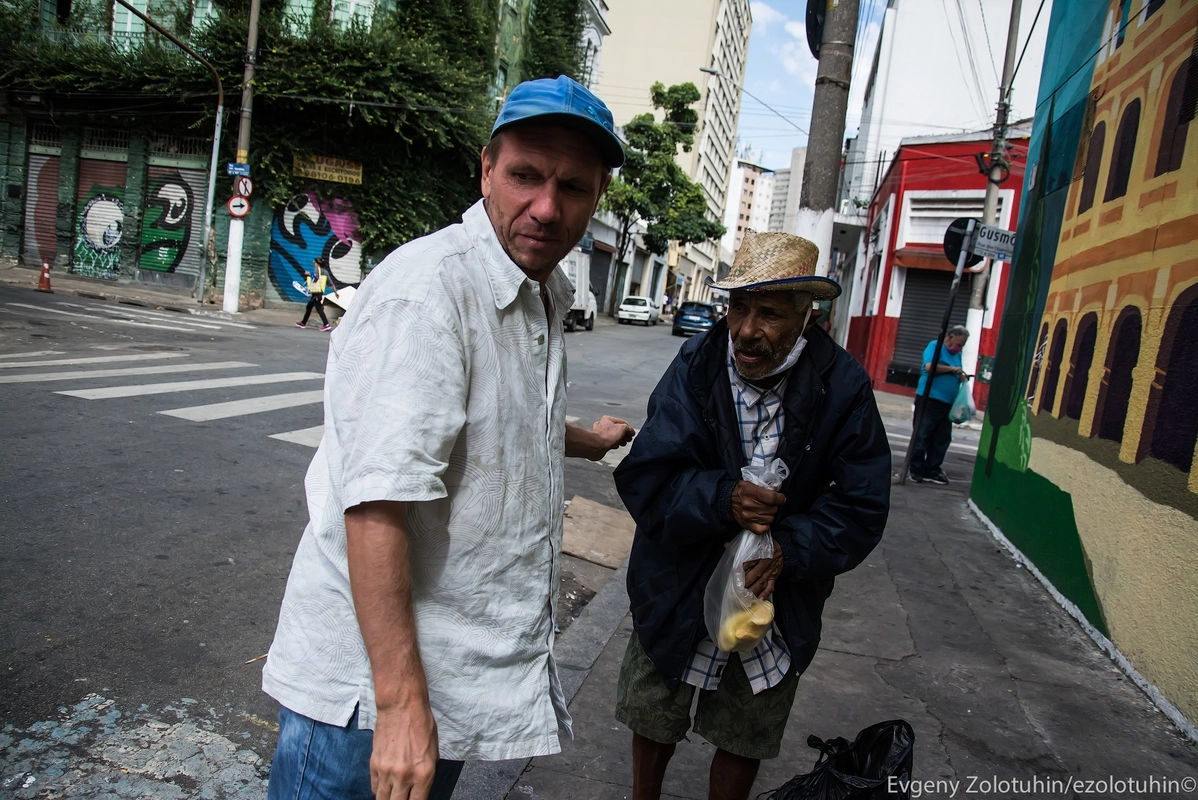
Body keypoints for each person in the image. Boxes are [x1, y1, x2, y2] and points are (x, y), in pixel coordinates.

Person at [262, 75, 633, 800]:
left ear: (596, 201)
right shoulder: (430, 293)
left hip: (443, 686)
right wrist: (401, 710)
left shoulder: (538, 290)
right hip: (369, 701)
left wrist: (582, 441)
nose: (547, 207)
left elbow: (487, 418)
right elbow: (375, 504)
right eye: (525, 176)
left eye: (574, 188)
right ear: (487, 169)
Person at [612, 231, 892, 800]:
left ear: (805, 317)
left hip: (774, 594)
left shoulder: (844, 385)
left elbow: (861, 503)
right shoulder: (695, 364)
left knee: (745, 728)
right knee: (653, 710)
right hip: (678, 576)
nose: (745, 330)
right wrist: (722, 497)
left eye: (768, 313)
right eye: (738, 307)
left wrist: (791, 549)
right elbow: (649, 474)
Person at [908, 325, 970, 485]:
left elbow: (956, 370)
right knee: (922, 434)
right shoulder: (935, 346)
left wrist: (960, 376)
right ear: (949, 337)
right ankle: (916, 469)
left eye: (962, 345)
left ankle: (932, 469)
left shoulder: (957, 354)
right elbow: (929, 367)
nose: (958, 348)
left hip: (947, 403)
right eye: (958, 343)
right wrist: (951, 369)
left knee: (942, 438)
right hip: (929, 399)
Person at [296, 258, 340, 332]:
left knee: (319, 308)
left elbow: (316, 276)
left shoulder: (317, 268)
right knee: (309, 307)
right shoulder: (325, 272)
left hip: (316, 292)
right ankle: (303, 323)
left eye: (314, 262)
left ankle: (326, 324)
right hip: (318, 292)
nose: (313, 263)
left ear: (317, 263)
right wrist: (335, 292)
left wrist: (308, 274)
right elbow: (330, 283)